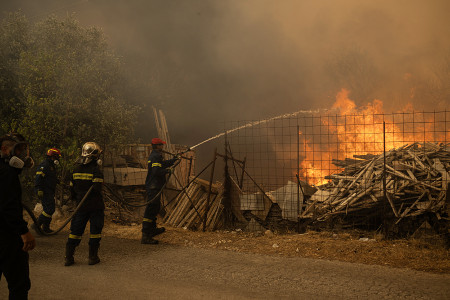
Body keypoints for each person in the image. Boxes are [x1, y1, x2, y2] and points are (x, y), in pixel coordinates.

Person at [0, 133, 36, 299]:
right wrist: (24, 232)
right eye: (18, 149)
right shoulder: (7, 173)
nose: (21, 154)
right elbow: (9, 207)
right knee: (19, 285)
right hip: (7, 238)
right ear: (4, 149)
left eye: (22, 149)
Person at [64, 142, 104, 266]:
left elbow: (72, 189)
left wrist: (77, 199)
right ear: (94, 155)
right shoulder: (95, 170)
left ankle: (68, 258)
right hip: (95, 206)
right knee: (95, 231)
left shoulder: (75, 169)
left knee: (75, 231)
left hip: (80, 206)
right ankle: (92, 257)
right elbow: (97, 188)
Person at [141, 138, 179, 244]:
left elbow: (162, 164)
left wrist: (173, 160)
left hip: (155, 186)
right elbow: (156, 171)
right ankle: (145, 235)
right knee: (151, 210)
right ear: (157, 146)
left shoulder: (156, 156)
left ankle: (152, 230)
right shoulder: (155, 156)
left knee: (155, 208)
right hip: (153, 187)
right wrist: (168, 171)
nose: (162, 147)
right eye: (161, 145)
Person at [33, 148, 61, 233]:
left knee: (48, 209)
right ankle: (36, 225)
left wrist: (58, 182)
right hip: (44, 190)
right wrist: (39, 189)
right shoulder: (45, 165)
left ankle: (46, 228)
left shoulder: (51, 166)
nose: (58, 159)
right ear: (53, 156)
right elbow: (39, 177)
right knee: (49, 209)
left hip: (49, 190)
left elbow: (50, 177)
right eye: (57, 157)